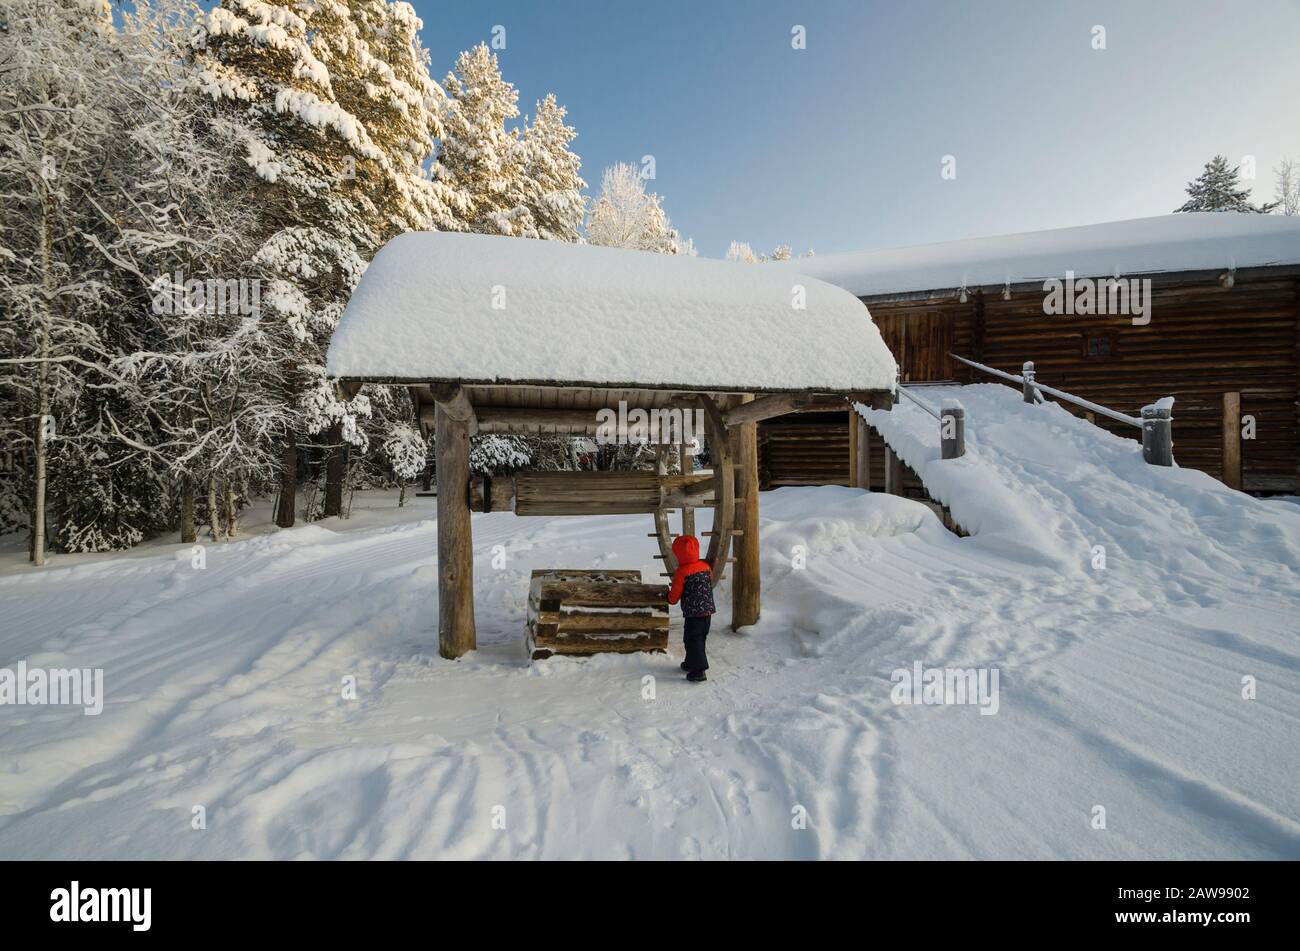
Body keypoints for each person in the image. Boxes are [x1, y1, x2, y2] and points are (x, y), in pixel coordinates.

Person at [666, 535, 715, 682]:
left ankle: (699, 671)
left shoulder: (682, 572)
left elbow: (675, 595)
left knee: (692, 640)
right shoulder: (705, 567)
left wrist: (669, 598)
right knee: (699, 638)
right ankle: (690, 663)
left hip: (694, 613)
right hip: (707, 611)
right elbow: (710, 581)